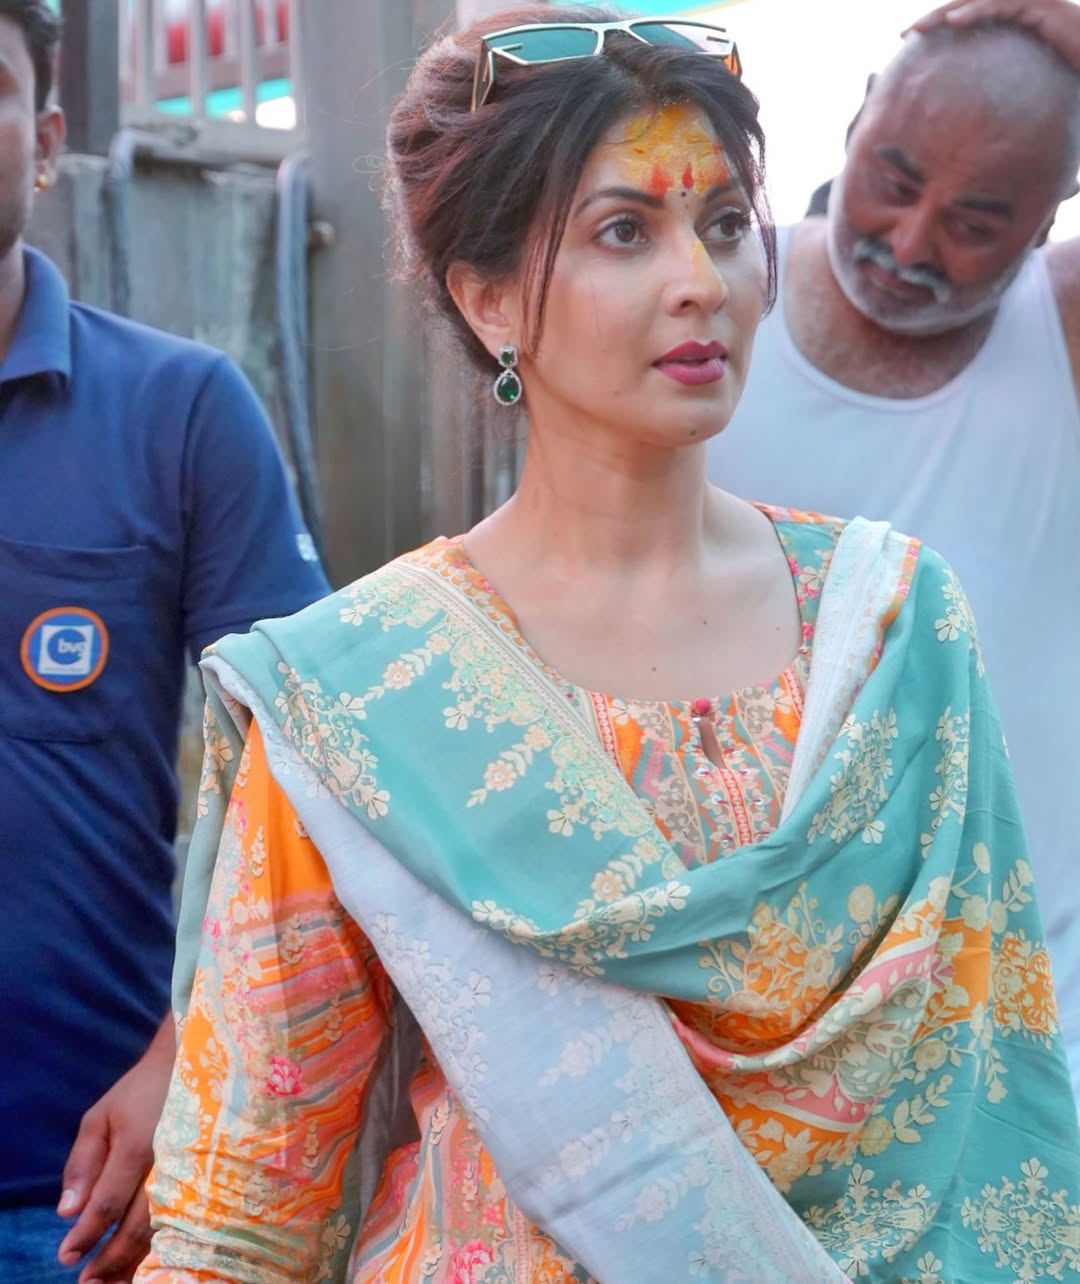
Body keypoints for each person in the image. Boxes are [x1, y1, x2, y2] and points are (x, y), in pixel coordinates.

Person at [137, 6, 1078, 1281]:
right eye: (624, 231)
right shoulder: (363, 691)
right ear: (485, 299)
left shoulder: (896, 632)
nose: (702, 278)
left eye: (728, 225)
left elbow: (996, 1121)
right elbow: (246, 1202)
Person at [0, 4, 330, 1282]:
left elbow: (304, 772)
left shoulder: (182, 412)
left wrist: (188, 1044)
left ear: (43, 139)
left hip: (85, 1195)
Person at [706, 0, 1080, 1105]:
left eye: (977, 220)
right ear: (858, 113)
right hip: (742, 1031)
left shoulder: (1059, 327)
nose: (910, 242)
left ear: (1054, 209)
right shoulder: (709, 300)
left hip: (1019, 1033)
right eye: (895, 176)